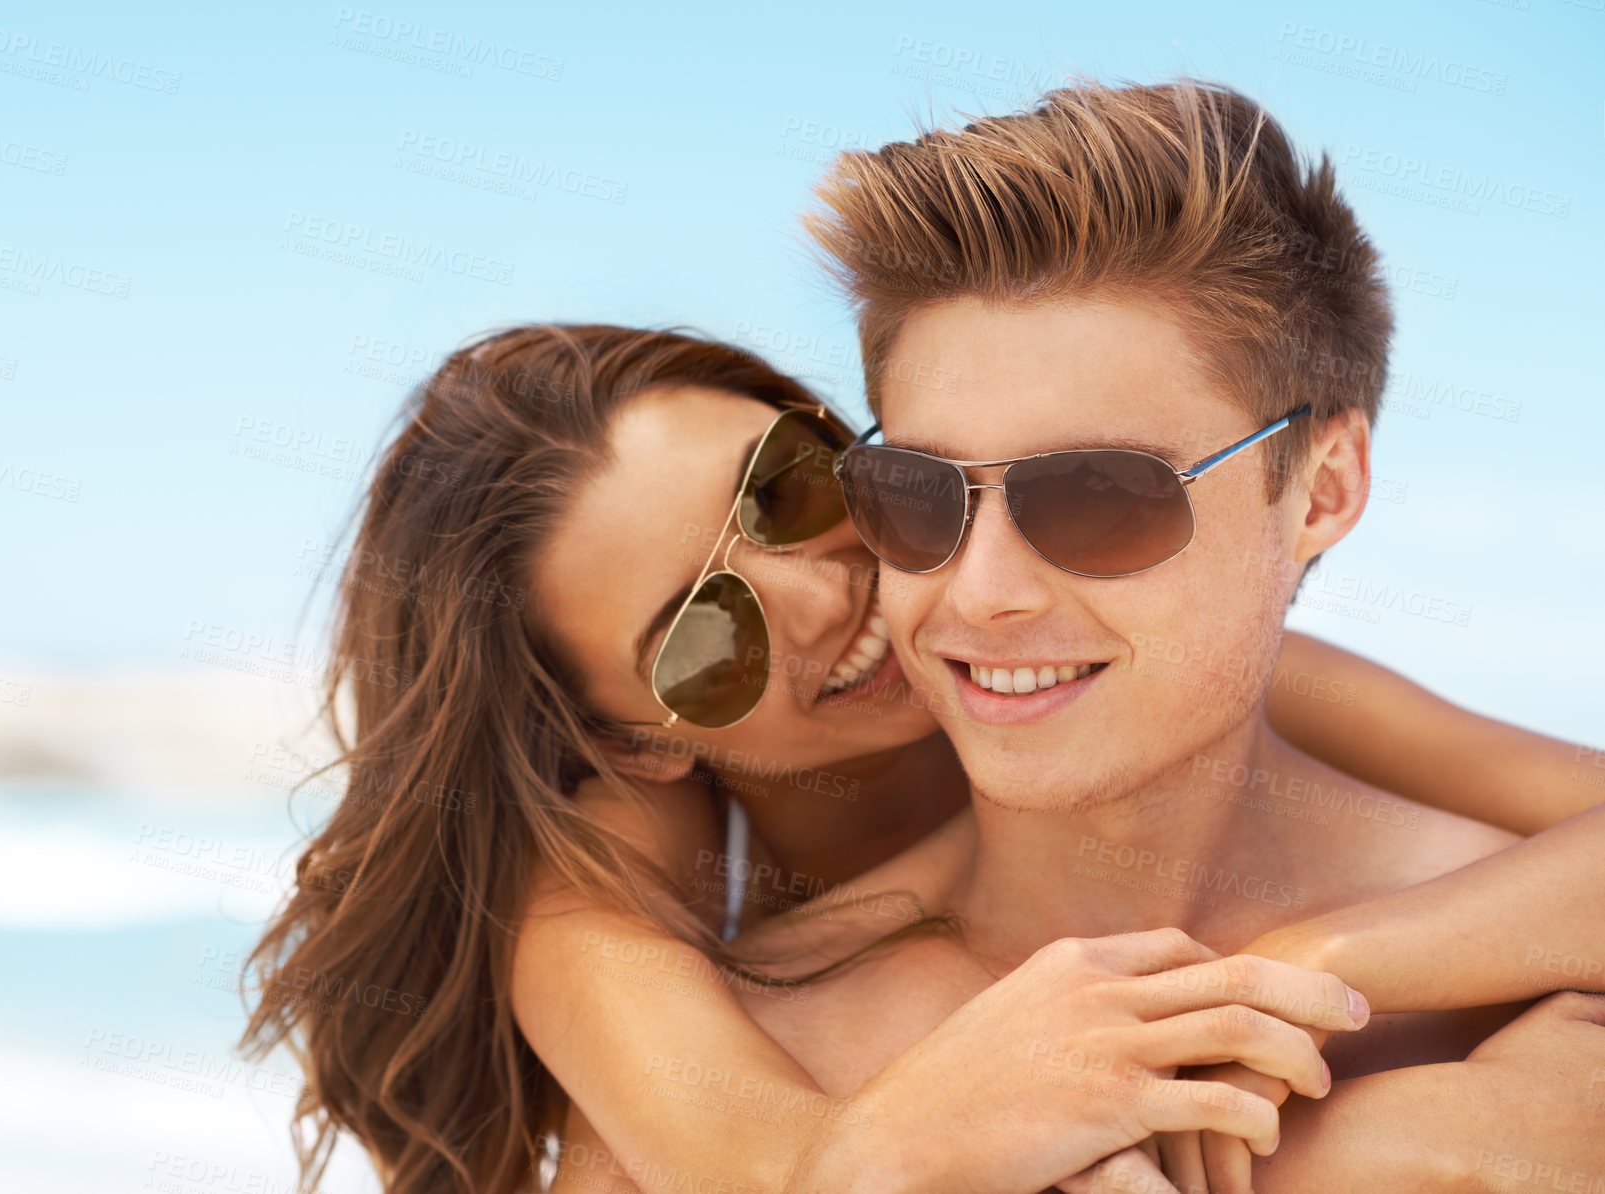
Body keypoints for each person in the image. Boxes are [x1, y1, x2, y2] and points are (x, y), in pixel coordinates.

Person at [239, 321, 1600, 1194]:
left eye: (791, 485)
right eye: (701, 632)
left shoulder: (1161, 682)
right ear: (625, 740)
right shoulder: (597, 884)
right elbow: (785, 1167)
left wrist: (1313, 971)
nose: (820, 592)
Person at [545, 78, 1605, 1194]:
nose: (981, 592)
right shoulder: (739, 1084)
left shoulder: (1546, 1007)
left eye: (1101, 494)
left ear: (1323, 490)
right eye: (920, 492)